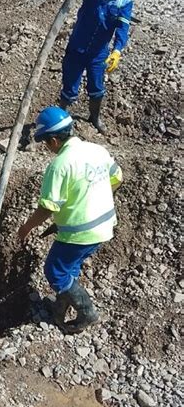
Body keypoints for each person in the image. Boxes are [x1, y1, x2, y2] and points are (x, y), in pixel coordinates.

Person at [18, 106, 123, 333]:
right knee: (70, 267)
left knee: (55, 271)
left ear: (54, 139)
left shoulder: (59, 165)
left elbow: (47, 208)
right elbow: (116, 178)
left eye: (46, 142)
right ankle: (60, 308)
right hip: (105, 226)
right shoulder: (97, 150)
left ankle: (87, 312)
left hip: (80, 233)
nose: (47, 147)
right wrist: (94, 199)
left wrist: (25, 229)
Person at [60, 0, 134, 134]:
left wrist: (117, 51)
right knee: (70, 86)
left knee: (97, 87)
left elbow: (122, 28)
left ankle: (94, 116)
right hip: (77, 47)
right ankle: (62, 118)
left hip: (98, 53)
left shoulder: (124, 0)